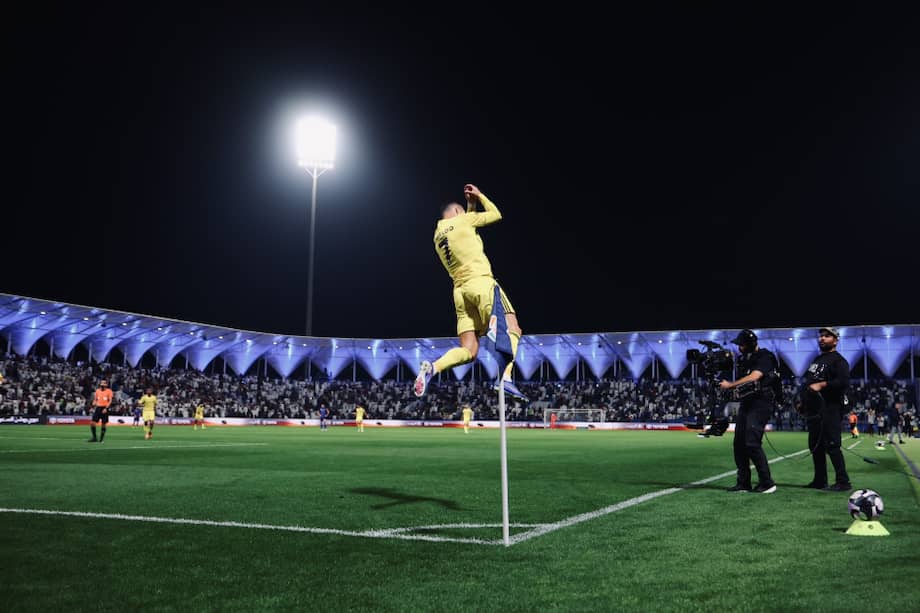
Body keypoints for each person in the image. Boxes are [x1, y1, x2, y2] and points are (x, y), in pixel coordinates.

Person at [414, 183, 526, 402]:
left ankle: (433, 368)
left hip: (460, 292)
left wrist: (470, 204)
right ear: (457, 212)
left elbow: (466, 228)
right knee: (513, 327)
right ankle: (506, 378)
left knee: (469, 350)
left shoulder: (438, 235)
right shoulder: (463, 220)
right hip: (481, 283)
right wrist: (480, 195)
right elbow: (496, 215)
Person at [718, 329, 778, 494]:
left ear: (750, 344)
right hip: (746, 403)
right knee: (739, 444)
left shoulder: (764, 356)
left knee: (752, 443)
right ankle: (743, 483)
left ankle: (767, 482)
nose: (740, 348)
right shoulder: (745, 359)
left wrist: (731, 384)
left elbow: (755, 376)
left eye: (742, 345)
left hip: (761, 403)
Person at [800, 327, 852, 491]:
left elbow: (843, 382)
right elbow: (809, 383)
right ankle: (820, 480)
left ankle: (843, 481)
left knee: (832, 445)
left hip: (830, 408)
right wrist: (803, 402)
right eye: (821, 336)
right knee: (815, 446)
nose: (822, 338)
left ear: (835, 340)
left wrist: (822, 384)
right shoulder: (816, 360)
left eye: (827, 336)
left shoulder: (839, 360)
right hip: (814, 410)